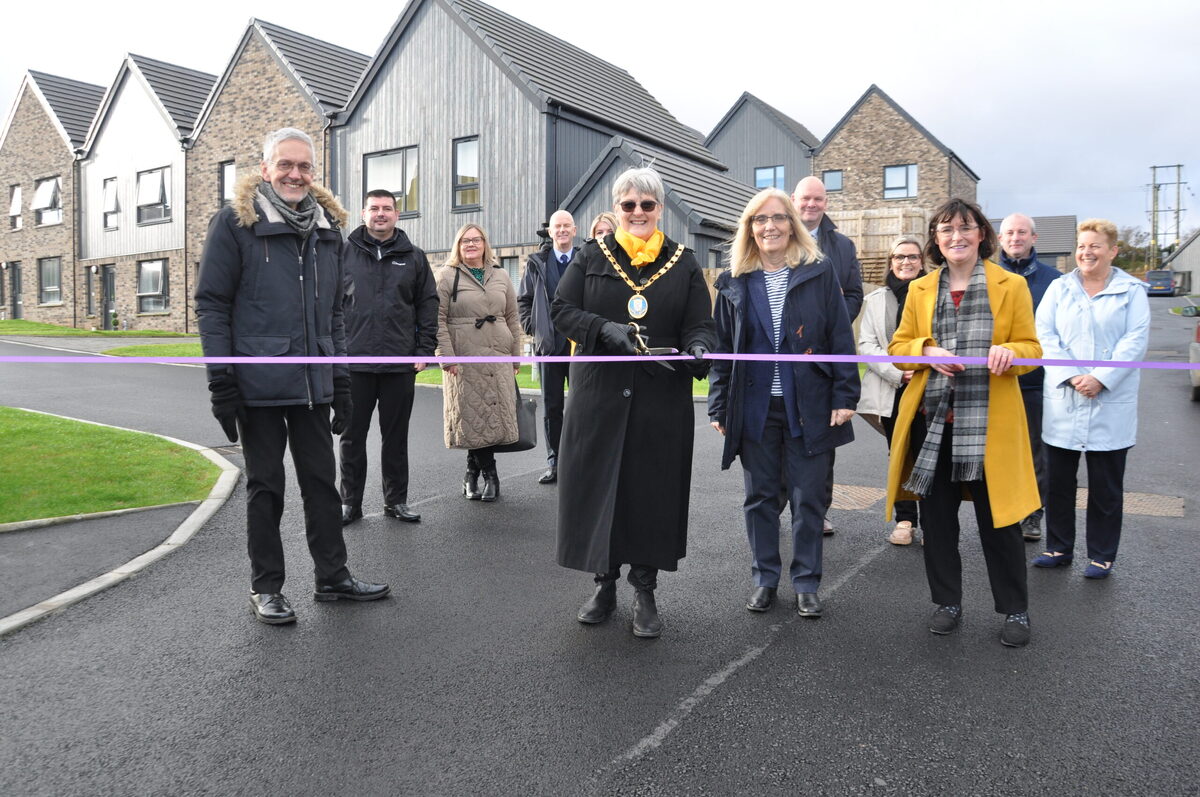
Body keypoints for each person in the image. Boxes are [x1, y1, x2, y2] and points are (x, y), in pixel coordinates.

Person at [195, 127, 389, 625]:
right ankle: (267, 587)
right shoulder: (234, 224)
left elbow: (335, 316)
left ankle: (333, 577)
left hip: (313, 383)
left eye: (304, 166)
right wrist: (222, 381)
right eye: (285, 165)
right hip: (257, 386)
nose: (295, 174)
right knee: (267, 487)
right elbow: (212, 306)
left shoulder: (329, 232)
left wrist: (340, 380)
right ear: (265, 169)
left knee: (323, 484)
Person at [551, 166, 715, 638]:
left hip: (660, 395)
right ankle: (605, 585)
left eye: (647, 204)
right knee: (601, 487)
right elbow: (562, 310)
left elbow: (699, 323)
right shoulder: (590, 254)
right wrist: (602, 330)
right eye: (628, 204)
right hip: (600, 393)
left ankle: (645, 590)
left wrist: (700, 347)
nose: (638, 212)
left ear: (660, 209)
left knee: (651, 491)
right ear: (617, 209)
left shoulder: (683, 261)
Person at [885, 198, 1042, 648]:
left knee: (1001, 525)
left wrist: (1011, 353)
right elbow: (899, 347)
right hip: (934, 423)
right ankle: (947, 602)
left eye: (966, 227)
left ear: (982, 235)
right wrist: (928, 350)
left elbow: (1032, 350)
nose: (957, 236)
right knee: (937, 524)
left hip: (991, 425)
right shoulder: (919, 289)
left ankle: (1015, 610)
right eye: (947, 228)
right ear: (936, 238)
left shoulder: (1010, 286)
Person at [708, 188, 859, 617]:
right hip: (755, 408)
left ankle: (807, 582)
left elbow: (839, 338)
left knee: (808, 498)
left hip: (809, 404)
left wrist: (845, 393)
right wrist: (719, 403)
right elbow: (723, 350)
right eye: (759, 220)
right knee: (760, 499)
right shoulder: (734, 280)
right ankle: (764, 579)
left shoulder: (818, 271)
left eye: (778, 218)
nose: (769, 226)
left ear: (792, 224)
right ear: (749, 229)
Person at [1032, 218, 1149, 579]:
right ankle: (1058, 547)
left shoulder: (1132, 291)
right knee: (1059, 483)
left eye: (1095, 246)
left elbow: (1135, 341)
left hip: (1109, 402)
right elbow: (1044, 334)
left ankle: (1101, 555)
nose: (1087, 252)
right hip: (1065, 398)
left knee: (1106, 488)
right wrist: (1072, 375)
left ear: (1113, 251)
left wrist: (1101, 378)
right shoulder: (1059, 288)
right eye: (1082, 246)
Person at [338, 189, 438, 525]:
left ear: (397, 215)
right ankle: (349, 503)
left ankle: (396, 501)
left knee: (395, 437)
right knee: (352, 437)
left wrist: (424, 349)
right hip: (354, 363)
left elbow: (428, 305)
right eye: (374, 208)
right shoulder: (343, 253)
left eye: (387, 209)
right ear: (363, 213)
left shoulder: (414, 257)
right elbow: (329, 307)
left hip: (399, 363)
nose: (381, 214)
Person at [791, 175, 864, 535]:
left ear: (826, 203)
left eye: (818, 199)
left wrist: (831, 324)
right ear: (794, 199)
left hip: (822, 356)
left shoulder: (843, 246)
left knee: (821, 438)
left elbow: (853, 295)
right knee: (779, 433)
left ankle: (818, 511)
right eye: (805, 198)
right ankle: (779, 504)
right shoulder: (775, 238)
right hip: (783, 354)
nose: (811, 205)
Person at [435, 223, 522, 502]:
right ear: (457, 246)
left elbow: (513, 317)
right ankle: (490, 474)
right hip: (465, 357)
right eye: (465, 241)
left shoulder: (500, 275)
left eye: (476, 240)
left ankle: (471, 474)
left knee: (490, 416)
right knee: (474, 417)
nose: (471, 245)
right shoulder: (447, 276)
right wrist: (446, 357)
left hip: (498, 356)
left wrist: (516, 355)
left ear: (485, 244)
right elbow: (437, 320)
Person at [998, 213, 1062, 542]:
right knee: (1001, 451)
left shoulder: (1055, 280)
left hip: (1038, 382)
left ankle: (1033, 513)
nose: (1015, 237)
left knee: (1038, 451)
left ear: (1034, 238)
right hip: (996, 380)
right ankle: (1005, 510)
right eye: (1009, 232)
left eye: (1022, 232)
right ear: (999, 239)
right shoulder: (987, 276)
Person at [857, 236, 926, 545]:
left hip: (929, 387)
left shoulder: (934, 294)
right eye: (899, 257)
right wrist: (899, 372)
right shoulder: (876, 300)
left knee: (932, 453)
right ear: (891, 262)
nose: (905, 262)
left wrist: (922, 370)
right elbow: (867, 346)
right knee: (900, 455)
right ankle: (906, 520)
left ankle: (936, 520)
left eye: (912, 257)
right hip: (893, 388)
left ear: (922, 261)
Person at [517, 210, 577, 485]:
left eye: (567, 226)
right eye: (557, 227)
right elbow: (524, 301)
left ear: (574, 230)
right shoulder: (537, 263)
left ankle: (578, 462)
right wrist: (534, 328)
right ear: (550, 232)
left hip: (581, 347)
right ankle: (554, 462)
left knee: (581, 406)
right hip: (550, 347)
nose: (562, 230)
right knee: (552, 407)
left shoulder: (585, 260)